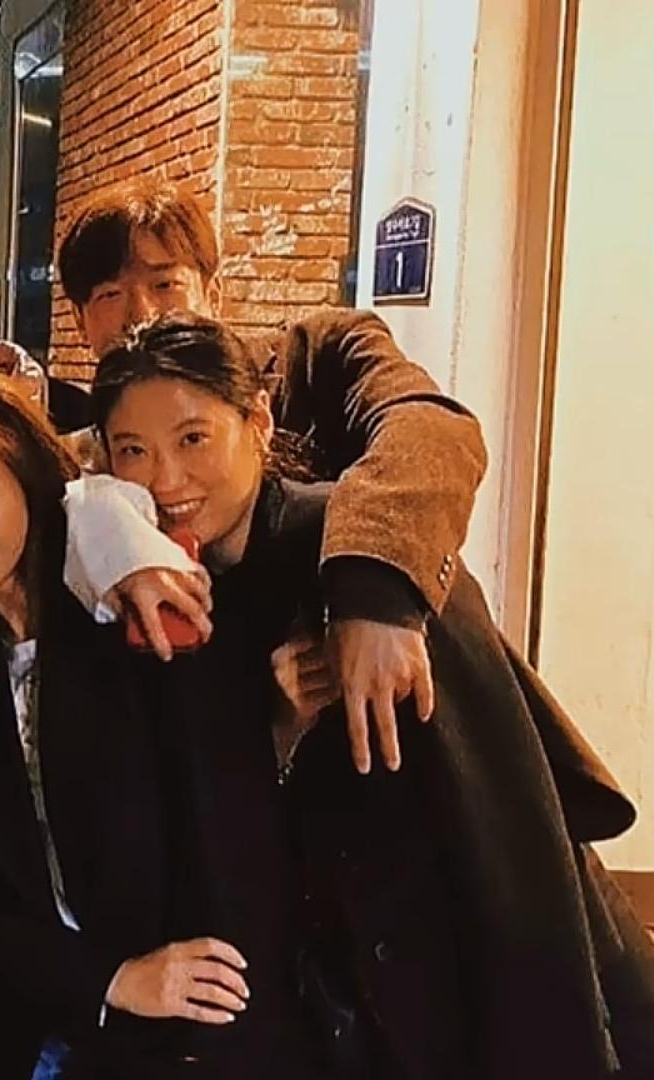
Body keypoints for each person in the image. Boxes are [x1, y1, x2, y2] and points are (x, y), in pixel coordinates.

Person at [85, 313, 654, 1078]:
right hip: (325, 999)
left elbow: (502, 809)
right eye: (133, 451)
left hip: (451, 972)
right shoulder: (162, 585)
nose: (165, 480)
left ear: (259, 422)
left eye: (194, 439)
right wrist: (278, 727)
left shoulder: (358, 550)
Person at [0, 375, 259, 1078]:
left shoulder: (129, 617)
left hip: (179, 1035)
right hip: (23, 1030)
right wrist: (106, 981)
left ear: (30, 489)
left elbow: (219, 830)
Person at [53, 178, 490, 775]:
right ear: (80, 321)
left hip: (396, 700)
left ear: (212, 291)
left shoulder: (318, 354)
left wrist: (372, 590)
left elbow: (429, 428)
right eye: (110, 294)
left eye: (165, 283)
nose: (142, 313)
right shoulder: (89, 458)